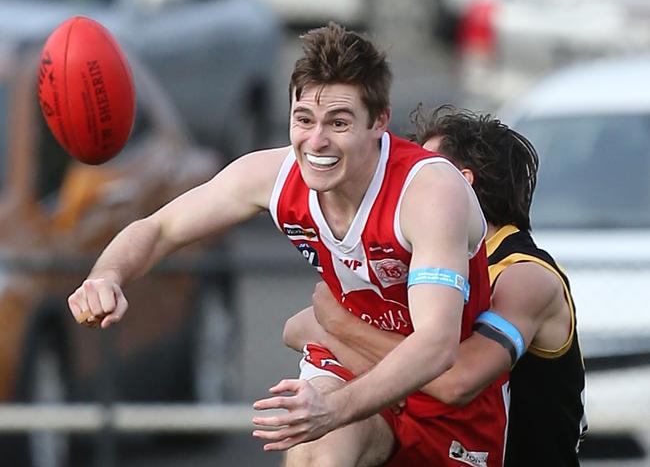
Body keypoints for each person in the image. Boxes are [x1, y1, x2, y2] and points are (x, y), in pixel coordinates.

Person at [67, 24, 508, 466]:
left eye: (338, 122)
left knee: (328, 418)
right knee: (316, 451)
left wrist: (335, 407)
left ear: (379, 122)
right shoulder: (274, 176)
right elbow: (160, 228)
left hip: (442, 401)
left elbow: (435, 345)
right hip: (346, 362)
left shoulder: (428, 191)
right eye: (303, 120)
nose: (316, 143)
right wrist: (106, 275)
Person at [284, 105, 588, 466]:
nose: (399, 182)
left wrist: (344, 329)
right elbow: (297, 327)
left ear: (460, 182)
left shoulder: (524, 276)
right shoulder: (428, 262)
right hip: (438, 449)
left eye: (418, 169)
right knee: (320, 442)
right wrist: (392, 376)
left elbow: (454, 381)